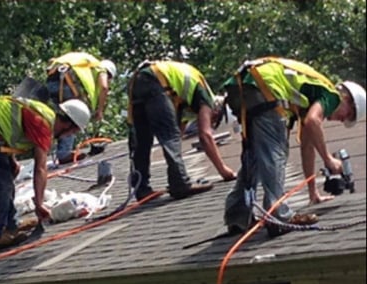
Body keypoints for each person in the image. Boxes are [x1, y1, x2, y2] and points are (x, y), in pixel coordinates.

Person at [222, 56, 366, 237]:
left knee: (256, 157)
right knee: (275, 153)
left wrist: (313, 193)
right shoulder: (331, 95)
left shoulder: (306, 98)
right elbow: (313, 121)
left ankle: (238, 217)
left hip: (241, 85)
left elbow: (307, 146)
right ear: (347, 98)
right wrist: (328, 159)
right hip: (265, 86)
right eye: (349, 114)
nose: (342, 119)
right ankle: (278, 216)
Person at [0, 96, 91, 252]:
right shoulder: (43, 125)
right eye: (72, 132)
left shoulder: (45, 115)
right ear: (67, 124)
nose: (68, 136)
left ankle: (11, 225)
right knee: (2, 187)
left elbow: (9, 126)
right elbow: (40, 168)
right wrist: (39, 204)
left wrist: (12, 160)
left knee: (8, 177)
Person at [127, 60, 237, 201]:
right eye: (215, 119)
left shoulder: (182, 101)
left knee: (143, 140)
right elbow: (205, 136)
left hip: (137, 82)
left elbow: (179, 131)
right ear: (217, 109)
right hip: (156, 82)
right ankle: (180, 184)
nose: (212, 121)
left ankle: (141, 190)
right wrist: (224, 171)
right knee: (169, 137)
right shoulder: (206, 97)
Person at [45, 52, 117, 164]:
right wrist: (100, 110)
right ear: (109, 73)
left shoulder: (88, 65)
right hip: (66, 82)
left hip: (52, 80)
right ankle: (64, 153)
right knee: (74, 117)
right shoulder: (100, 69)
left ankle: (49, 148)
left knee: (60, 119)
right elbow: (104, 87)